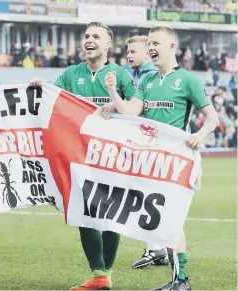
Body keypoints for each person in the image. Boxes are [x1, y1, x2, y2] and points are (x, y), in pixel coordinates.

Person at [100, 26, 219, 291]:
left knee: (173, 219)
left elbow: (213, 118)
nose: (151, 48)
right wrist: (112, 92)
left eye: (156, 43)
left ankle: (181, 280)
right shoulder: (147, 82)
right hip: (151, 161)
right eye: (149, 43)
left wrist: (199, 134)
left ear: (172, 47)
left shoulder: (188, 80)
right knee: (163, 220)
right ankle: (176, 276)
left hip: (177, 160)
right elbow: (131, 113)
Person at [30, 22, 135, 290]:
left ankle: (105, 273)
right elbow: (51, 97)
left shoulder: (120, 75)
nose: (89, 40)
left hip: (113, 155)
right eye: (87, 36)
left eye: (96, 36)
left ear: (109, 44)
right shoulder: (70, 74)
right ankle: (99, 273)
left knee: (112, 214)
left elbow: (136, 111)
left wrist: (117, 104)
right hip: (80, 156)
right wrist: (39, 86)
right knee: (84, 211)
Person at [125, 36, 170, 269]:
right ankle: (158, 248)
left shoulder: (151, 76)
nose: (129, 55)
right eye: (127, 51)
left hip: (157, 146)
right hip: (145, 144)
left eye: (133, 51)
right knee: (146, 197)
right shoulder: (135, 73)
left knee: (151, 198)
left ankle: (158, 249)